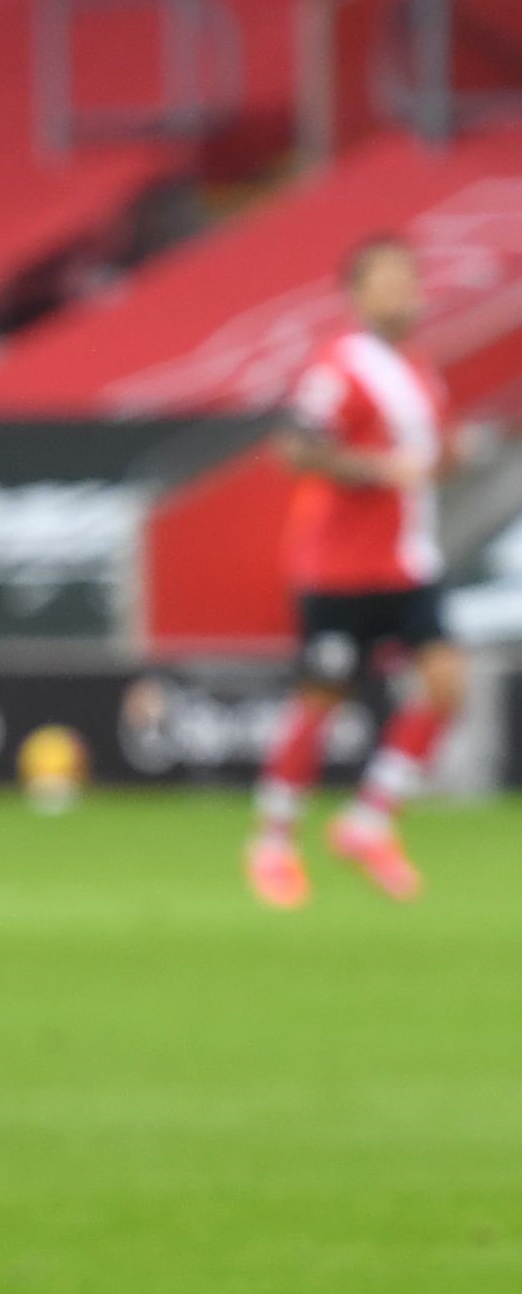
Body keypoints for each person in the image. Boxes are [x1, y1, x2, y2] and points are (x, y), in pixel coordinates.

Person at [246, 234, 464, 907]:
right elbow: (294, 446)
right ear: (358, 293)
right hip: (339, 570)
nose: (405, 290)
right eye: (389, 279)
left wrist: (444, 460)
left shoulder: (420, 369)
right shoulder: (341, 366)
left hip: (406, 564)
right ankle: (274, 841)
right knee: (319, 703)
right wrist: (372, 468)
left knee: (445, 687)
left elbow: (433, 456)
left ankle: (367, 822)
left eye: (410, 277)